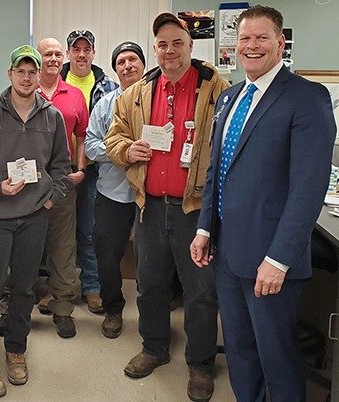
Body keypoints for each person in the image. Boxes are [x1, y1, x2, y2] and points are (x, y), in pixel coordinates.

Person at [190, 5, 336, 401]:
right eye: (245, 39)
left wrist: (279, 259)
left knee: (277, 355)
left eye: (261, 38)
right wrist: (205, 228)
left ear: (280, 43)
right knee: (239, 350)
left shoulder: (307, 98)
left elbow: (308, 188)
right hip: (226, 253)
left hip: (270, 259)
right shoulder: (230, 98)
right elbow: (215, 171)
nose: (251, 46)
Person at [105, 13, 229, 402]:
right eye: (162, 44)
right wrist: (129, 150)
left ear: (191, 46)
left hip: (195, 209)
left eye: (177, 43)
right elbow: (114, 139)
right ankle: (154, 348)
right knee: (150, 284)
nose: (170, 51)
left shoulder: (216, 88)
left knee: (200, 291)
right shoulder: (138, 92)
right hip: (151, 207)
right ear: (154, 49)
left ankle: (200, 364)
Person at [0, 45, 70, 398]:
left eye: (32, 72)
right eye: (20, 71)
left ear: (40, 76)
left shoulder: (51, 117)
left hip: (34, 218)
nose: (26, 77)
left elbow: (61, 166)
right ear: (10, 74)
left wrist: (52, 195)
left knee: (24, 288)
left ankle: (16, 348)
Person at [85, 41, 145, 339]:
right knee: (106, 252)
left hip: (152, 193)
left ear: (143, 65)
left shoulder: (159, 100)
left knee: (153, 255)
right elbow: (90, 144)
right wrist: (122, 152)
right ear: (115, 69)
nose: (127, 66)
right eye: (121, 62)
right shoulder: (105, 104)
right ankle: (113, 307)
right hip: (113, 191)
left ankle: (154, 309)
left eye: (133, 59)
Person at [61, 30, 118, 312]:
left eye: (87, 49)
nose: (81, 54)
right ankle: (62, 287)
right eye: (76, 49)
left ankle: (92, 286)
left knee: (88, 230)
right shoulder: (53, 82)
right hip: (57, 169)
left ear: (94, 53)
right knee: (59, 231)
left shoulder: (108, 87)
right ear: (68, 52)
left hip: (93, 169)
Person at [36, 37, 88, 337]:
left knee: (63, 245)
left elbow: (82, 134)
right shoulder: (27, 89)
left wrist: (80, 168)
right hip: (28, 181)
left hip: (63, 178)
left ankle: (63, 308)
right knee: (25, 244)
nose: (53, 59)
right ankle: (16, 304)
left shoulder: (75, 95)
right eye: (47, 54)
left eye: (58, 54)